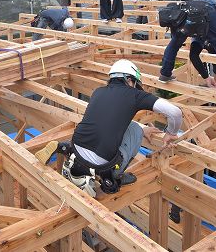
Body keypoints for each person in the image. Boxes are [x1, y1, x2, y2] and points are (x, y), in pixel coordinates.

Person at [35, 60, 182, 196]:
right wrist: (171, 132)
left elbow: (109, 121)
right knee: (135, 130)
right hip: (100, 162)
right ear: (130, 80)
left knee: (128, 126)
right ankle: (112, 175)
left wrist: (144, 130)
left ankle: (65, 148)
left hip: (77, 144)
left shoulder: (98, 91)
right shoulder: (136, 95)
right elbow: (175, 112)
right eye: (135, 83)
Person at [158, 0, 216, 98]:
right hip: (208, 10)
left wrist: (207, 77)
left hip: (188, 11)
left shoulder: (199, 27)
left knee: (175, 42)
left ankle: (165, 74)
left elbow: (193, 54)